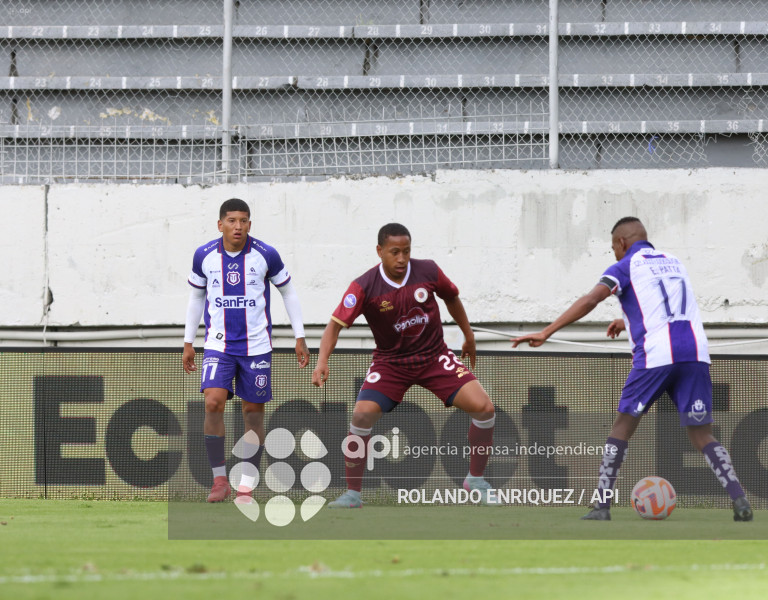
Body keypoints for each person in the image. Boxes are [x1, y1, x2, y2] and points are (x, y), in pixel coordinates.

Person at [512, 217, 753, 522]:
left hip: (655, 356)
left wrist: (548, 331)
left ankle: (601, 506)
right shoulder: (674, 261)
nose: (614, 253)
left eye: (613, 247)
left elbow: (591, 299)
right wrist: (626, 320)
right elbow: (667, 303)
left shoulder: (624, 266)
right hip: (695, 352)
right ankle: (739, 499)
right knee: (701, 433)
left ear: (621, 243)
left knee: (622, 428)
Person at [312, 223, 497, 507]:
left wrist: (468, 335)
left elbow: (452, 297)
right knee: (361, 417)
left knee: (484, 408)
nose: (401, 259)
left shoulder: (428, 271)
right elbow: (334, 326)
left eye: (406, 252)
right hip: (391, 364)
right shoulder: (364, 286)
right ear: (380, 251)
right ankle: (353, 494)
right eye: (395, 252)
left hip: (434, 357)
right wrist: (322, 360)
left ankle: (476, 479)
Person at [182, 198, 310, 503]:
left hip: (256, 348)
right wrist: (188, 342)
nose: (237, 226)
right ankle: (219, 481)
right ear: (220, 224)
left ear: (249, 224)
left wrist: (300, 336)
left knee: (252, 414)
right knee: (213, 402)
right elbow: (196, 299)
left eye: (243, 221)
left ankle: (247, 484)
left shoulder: (266, 254)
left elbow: (288, 292)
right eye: (231, 220)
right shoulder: (204, 255)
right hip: (218, 344)